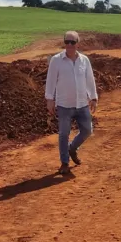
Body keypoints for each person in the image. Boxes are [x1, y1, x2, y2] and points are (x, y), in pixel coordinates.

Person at [44, 31, 98, 174]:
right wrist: (50, 99)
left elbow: (89, 79)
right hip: (64, 105)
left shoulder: (84, 60)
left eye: (72, 42)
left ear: (77, 43)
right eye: (67, 42)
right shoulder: (56, 60)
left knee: (87, 131)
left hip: (82, 103)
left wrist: (93, 97)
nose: (69, 45)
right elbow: (50, 81)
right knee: (63, 134)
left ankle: (72, 148)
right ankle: (64, 163)